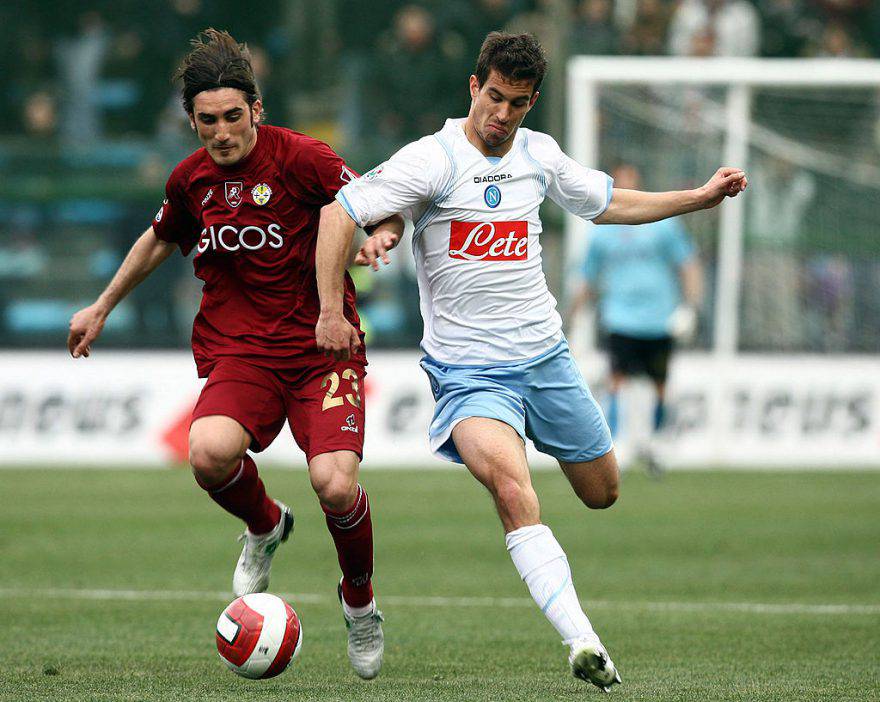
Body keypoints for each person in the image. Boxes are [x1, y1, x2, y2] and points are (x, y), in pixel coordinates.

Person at [314, 32, 746, 691]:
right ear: (472, 87)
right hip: (470, 376)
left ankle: (564, 516)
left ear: (532, 101)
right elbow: (337, 214)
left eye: (517, 102)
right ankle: (583, 641)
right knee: (516, 492)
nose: (502, 113)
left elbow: (610, 205)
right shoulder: (432, 159)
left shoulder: (539, 155)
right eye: (493, 97)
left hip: (546, 359)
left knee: (603, 493)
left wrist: (698, 197)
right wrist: (331, 311)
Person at [66, 29, 396, 680]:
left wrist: (380, 235)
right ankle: (266, 524)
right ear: (192, 122)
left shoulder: (302, 158)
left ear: (257, 110)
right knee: (209, 453)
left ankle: (359, 603)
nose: (221, 133)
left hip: (323, 347)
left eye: (233, 117)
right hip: (243, 348)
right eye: (207, 121)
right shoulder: (191, 180)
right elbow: (161, 240)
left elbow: (370, 204)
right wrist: (102, 305)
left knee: (335, 484)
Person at [567, 163, 703, 474]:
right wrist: (571, 317)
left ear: (638, 182)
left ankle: (656, 444)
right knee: (617, 381)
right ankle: (617, 444)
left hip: (659, 318)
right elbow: (587, 276)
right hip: (620, 318)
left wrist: (691, 307)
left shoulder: (662, 225)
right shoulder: (601, 231)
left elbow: (688, 264)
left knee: (659, 385)